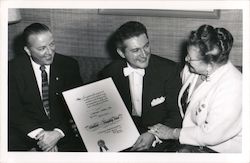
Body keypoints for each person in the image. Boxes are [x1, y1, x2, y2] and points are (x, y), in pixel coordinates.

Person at [148, 24, 242, 153]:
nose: (186, 59)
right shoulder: (191, 70)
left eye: (190, 58)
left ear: (210, 64)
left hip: (221, 151)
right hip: (192, 142)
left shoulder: (233, 88)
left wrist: (172, 133)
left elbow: (210, 135)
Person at [99, 21, 182, 151]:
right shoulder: (110, 72)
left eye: (146, 46)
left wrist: (153, 135)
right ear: (121, 53)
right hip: (121, 138)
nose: (144, 54)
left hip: (159, 140)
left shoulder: (169, 70)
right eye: (136, 50)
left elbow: (177, 115)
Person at [8, 23, 86, 152]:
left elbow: (78, 106)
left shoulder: (69, 65)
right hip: (27, 135)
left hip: (64, 134)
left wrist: (57, 133)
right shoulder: (11, 70)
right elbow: (13, 111)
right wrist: (42, 137)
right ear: (28, 50)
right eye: (42, 48)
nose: (49, 52)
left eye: (52, 44)